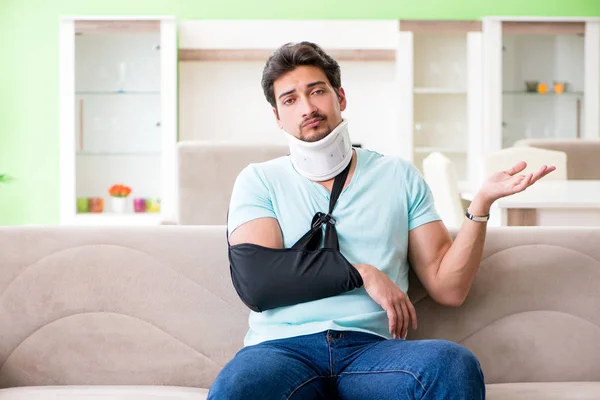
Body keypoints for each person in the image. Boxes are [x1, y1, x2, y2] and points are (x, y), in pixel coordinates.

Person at [208, 41, 555, 399]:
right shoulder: (259, 180)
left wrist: (481, 205)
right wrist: (362, 273)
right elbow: (257, 281)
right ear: (278, 117)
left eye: (317, 91)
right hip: (281, 350)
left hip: (372, 352)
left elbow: (448, 287)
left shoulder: (397, 175)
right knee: (238, 387)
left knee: (452, 364)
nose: (308, 108)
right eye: (290, 100)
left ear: (340, 97)